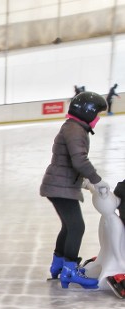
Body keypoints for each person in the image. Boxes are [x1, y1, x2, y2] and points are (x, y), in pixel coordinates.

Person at [40, 91, 110, 289]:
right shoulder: (75, 130)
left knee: (69, 226)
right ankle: (70, 270)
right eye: (96, 113)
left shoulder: (73, 127)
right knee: (77, 227)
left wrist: (84, 181)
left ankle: (58, 265)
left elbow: (69, 161)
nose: (97, 118)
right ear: (87, 112)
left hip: (60, 185)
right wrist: (96, 180)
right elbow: (79, 160)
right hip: (60, 187)